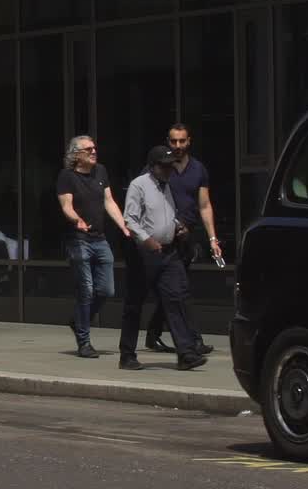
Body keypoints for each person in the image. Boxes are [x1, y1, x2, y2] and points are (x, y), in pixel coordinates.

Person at [119, 146, 209, 372]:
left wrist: (179, 228)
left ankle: (186, 353)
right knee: (135, 303)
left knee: (176, 298)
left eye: (171, 166)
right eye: (164, 166)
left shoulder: (167, 186)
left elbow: (166, 215)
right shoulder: (139, 185)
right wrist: (147, 240)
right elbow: (130, 219)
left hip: (169, 252)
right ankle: (127, 355)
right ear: (152, 167)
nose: (169, 170)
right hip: (144, 254)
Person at [144, 122, 222, 356]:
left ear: (189, 142)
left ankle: (155, 333)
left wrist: (212, 240)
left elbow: (205, 205)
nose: (177, 146)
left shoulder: (198, 170)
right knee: (178, 290)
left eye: (182, 141)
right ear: (168, 142)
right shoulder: (159, 168)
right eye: (173, 141)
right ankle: (193, 341)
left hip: (186, 239)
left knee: (175, 290)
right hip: (162, 240)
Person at [55, 135, 130, 359]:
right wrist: (76, 219)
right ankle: (84, 342)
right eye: (89, 150)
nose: (94, 152)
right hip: (78, 239)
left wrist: (123, 225)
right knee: (85, 290)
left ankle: (79, 320)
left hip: (99, 238)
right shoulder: (67, 176)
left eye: (95, 148)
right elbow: (66, 205)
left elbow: (109, 201)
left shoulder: (101, 172)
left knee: (107, 289)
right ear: (76, 154)